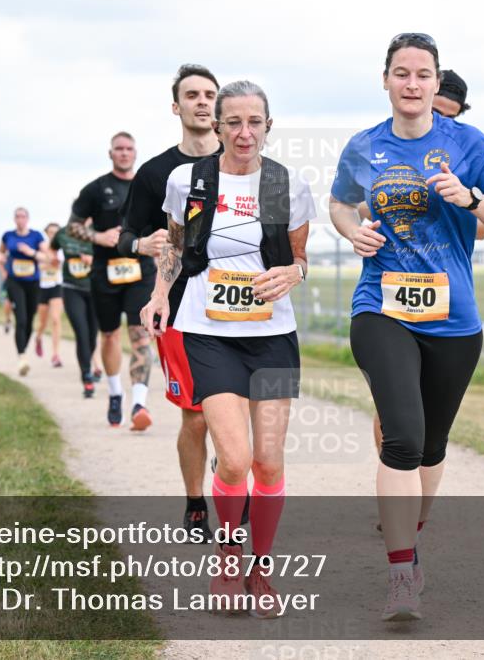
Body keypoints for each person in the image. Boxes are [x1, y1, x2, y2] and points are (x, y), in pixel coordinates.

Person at [330, 33, 484, 622]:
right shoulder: (364, 146)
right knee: (403, 440)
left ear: (436, 83)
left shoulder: (470, 143)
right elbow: (340, 203)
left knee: (432, 448)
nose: (411, 84)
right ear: (385, 79)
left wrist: (469, 198)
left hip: (454, 320)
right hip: (381, 308)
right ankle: (401, 574)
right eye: (401, 73)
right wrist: (352, 231)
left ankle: (411, 536)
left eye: (422, 74)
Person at [142, 80, 315, 618]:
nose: (244, 133)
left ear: (269, 126)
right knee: (235, 460)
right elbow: (174, 245)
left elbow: (299, 257)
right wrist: (159, 295)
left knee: (268, 462)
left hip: (272, 336)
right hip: (208, 331)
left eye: (254, 122)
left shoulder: (287, 184)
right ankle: (227, 557)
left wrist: (295, 273)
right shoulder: (188, 180)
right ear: (216, 127)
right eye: (233, 122)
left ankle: (260, 569)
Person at [117, 63, 223, 537]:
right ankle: (196, 502)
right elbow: (125, 235)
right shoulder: (156, 172)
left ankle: (230, 474)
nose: (202, 102)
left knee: (234, 412)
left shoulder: (245, 164)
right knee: (196, 415)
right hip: (180, 306)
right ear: (176, 107)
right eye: (192, 95)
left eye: (209, 95)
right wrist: (142, 244)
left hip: (240, 308)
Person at [373, 67, 484, 457]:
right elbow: (359, 204)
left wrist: (461, 200)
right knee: (394, 412)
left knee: (431, 426)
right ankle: (394, 471)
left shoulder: (464, 153)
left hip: (445, 296)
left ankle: (410, 480)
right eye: (437, 111)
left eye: (450, 116)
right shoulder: (384, 147)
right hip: (391, 296)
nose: (440, 121)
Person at [68, 132, 154, 431]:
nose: (124, 153)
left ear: (135, 152)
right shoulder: (95, 189)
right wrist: (98, 236)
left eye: (129, 148)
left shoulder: (148, 187)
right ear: (111, 153)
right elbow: (72, 227)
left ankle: (139, 403)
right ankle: (116, 393)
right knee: (109, 336)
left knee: (140, 335)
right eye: (119, 148)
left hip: (141, 271)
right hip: (105, 272)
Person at [51, 220, 99, 397]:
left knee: (92, 336)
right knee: (81, 333)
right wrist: (53, 259)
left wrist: (93, 260)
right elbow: (51, 248)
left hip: (95, 289)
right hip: (72, 289)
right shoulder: (64, 232)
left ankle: (87, 367)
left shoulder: (99, 231)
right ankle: (86, 377)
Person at [0, 207, 47, 376]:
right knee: (21, 318)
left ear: (28, 219)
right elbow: (0, 252)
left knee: (30, 318)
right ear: (14, 219)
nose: (20, 219)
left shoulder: (36, 236)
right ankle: (22, 357)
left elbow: (46, 256)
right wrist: (2, 267)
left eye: (23, 216)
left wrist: (31, 252)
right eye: (17, 216)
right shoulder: (8, 236)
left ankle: (23, 349)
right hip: (14, 281)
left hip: (33, 282)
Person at [35, 222, 65, 368]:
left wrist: (51, 262)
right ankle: (38, 337)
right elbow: (38, 266)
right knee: (42, 322)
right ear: (46, 233)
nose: (53, 235)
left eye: (56, 232)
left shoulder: (62, 249)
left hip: (57, 286)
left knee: (55, 320)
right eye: (51, 232)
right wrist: (50, 262)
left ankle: (55, 355)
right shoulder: (41, 248)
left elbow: (62, 265)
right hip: (43, 287)